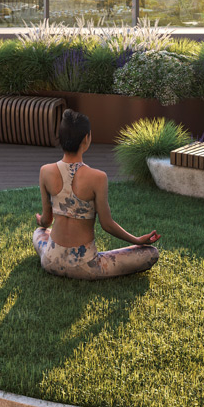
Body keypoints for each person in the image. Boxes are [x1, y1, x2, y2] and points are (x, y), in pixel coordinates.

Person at [33, 110, 160, 280]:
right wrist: (137, 240)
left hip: (50, 261)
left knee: (39, 232)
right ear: (87, 138)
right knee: (150, 253)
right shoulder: (98, 177)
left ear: (60, 138)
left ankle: (52, 252)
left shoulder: (45, 171)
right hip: (86, 266)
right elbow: (107, 224)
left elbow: (46, 221)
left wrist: (40, 221)